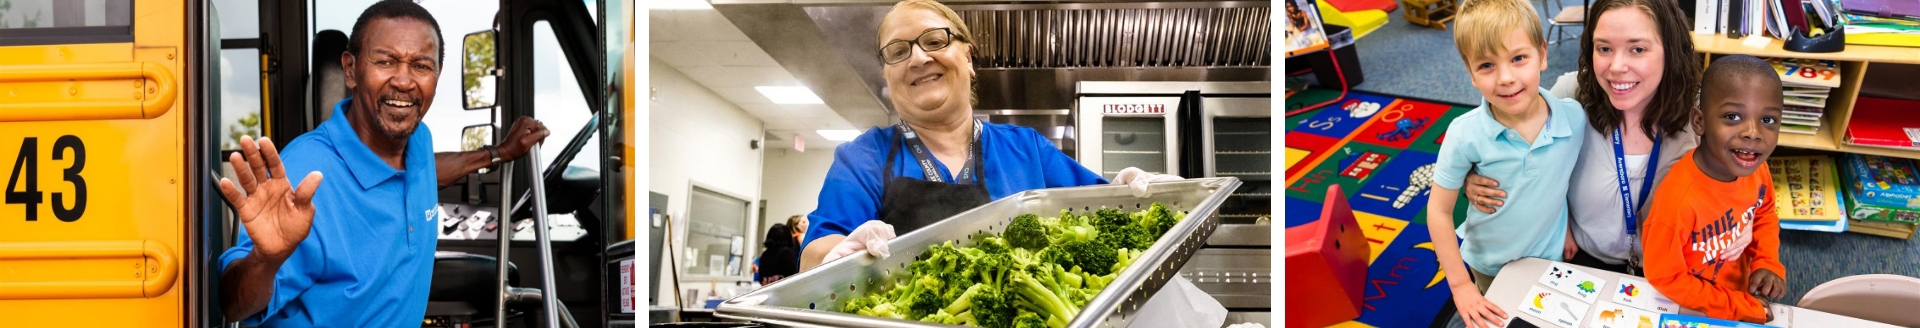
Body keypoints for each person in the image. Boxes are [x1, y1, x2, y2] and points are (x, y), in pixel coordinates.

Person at [214, 1, 550, 325]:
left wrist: (497, 153)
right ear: (351, 69)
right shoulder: (303, 176)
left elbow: (425, 172)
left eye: (421, 65)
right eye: (386, 62)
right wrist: (266, 260)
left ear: (437, 73)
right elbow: (234, 307)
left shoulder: (417, 140)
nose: (404, 81)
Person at [797, 0, 1179, 270]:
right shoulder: (864, 156)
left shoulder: (1027, 148)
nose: (918, 58)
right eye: (898, 51)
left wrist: (1132, 196)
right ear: (887, 74)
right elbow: (816, 250)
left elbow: (1101, 215)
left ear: (968, 57)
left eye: (934, 41)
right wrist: (840, 255)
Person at [1462, 0, 1703, 276]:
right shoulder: (1570, 95)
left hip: (1673, 268)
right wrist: (1472, 173)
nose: (1616, 66)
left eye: (1637, 49)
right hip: (1581, 259)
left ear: (1670, 51)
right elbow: (1502, 133)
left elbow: (1748, 190)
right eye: (1604, 48)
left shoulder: (1699, 112)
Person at [1425, 0, 1587, 327]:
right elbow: (1438, 211)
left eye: (1518, 58)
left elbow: (1562, 178)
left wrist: (1567, 227)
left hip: (1550, 259)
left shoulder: (1573, 117)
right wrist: (1459, 285)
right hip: (1489, 266)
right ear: (1470, 71)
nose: (1506, 78)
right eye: (1486, 65)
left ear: (1542, 55)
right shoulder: (1464, 133)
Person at [1642, 55, 1786, 324]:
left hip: (1739, 292)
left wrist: (1767, 262)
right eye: (1733, 116)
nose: (1753, 133)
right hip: (1693, 307)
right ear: (1699, 121)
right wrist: (1735, 306)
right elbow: (1666, 277)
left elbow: (1764, 214)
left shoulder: (1757, 169)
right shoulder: (1677, 201)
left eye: (1768, 120)